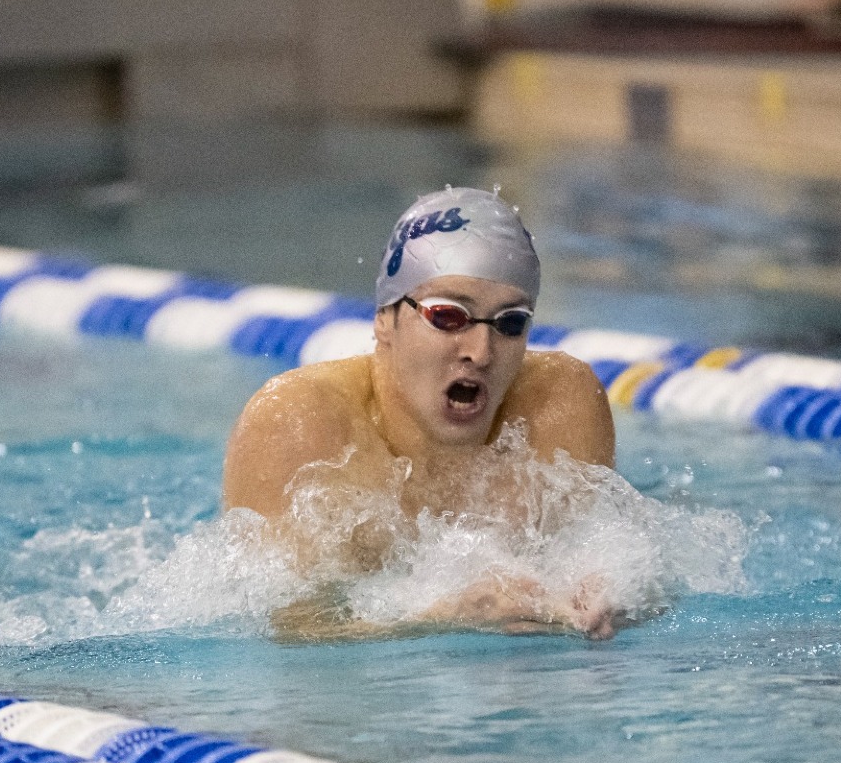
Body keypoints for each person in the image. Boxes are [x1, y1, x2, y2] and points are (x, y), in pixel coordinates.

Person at [221, 188, 623, 640]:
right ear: (384, 318)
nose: (481, 352)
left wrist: (616, 596)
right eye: (449, 316)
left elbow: (609, 562)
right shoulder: (299, 424)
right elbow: (285, 632)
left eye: (510, 323)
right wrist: (442, 618)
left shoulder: (559, 404)